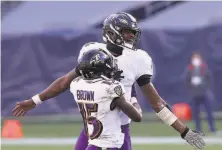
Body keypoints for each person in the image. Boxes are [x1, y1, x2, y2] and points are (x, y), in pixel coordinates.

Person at [12, 12, 205, 150]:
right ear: (112, 33)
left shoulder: (138, 59)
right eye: (127, 32)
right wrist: (35, 100)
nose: (131, 36)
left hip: (117, 133)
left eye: (132, 32)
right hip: (91, 127)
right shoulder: (92, 52)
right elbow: (64, 82)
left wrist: (184, 131)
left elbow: (157, 103)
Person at [71, 49, 142, 149]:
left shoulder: (76, 84)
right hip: (109, 144)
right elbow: (137, 117)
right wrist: (134, 100)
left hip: (92, 142)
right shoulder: (111, 88)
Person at [184, 52, 216, 133]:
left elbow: (210, 79)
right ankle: (198, 129)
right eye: (194, 59)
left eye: (197, 58)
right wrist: (191, 85)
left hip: (204, 93)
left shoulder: (204, 68)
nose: (196, 60)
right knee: (196, 113)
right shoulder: (189, 69)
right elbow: (186, 81)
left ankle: (212, 128)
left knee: (209, 112)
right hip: (195, 94)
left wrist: (203, 84)